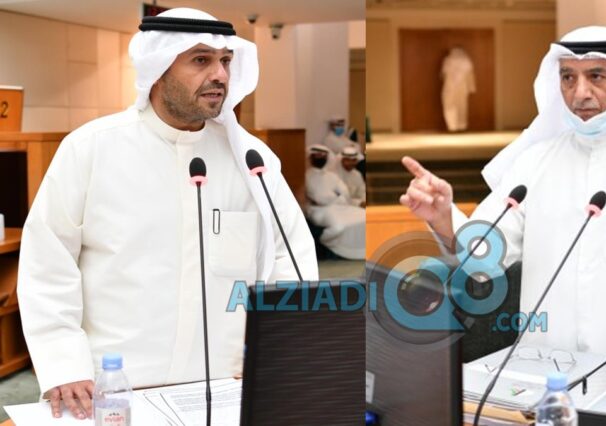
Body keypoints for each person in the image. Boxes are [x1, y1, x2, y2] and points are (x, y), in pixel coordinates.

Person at [17, 8, 318, 420]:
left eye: (225, 61)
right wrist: (64, 363)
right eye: (201, 60)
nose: (220, 75)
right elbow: (48, 263)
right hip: (113, 387)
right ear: (157, 68)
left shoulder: (252, 160)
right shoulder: (91, 149)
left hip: (222, 385)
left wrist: (278, 351)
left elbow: (290, 259)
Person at [400, 26, 606, 386]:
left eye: (596, 76)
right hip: (545, 378)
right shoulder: (535, 161)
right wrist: (443, 217)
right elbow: (484, 253)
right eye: (568, 77)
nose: (580, 92)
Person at [306, 145, 365, 259]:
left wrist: (336, 198)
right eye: (317, 155)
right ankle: (324, 241)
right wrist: (336, 198)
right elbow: (320, 198)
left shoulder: (331, 176)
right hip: (318, 210)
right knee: (339, 227)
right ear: (311, 157)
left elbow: (345, 194)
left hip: (340, 207)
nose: (320, 158)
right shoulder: (307, 175)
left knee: (364, 216)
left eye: (323, 156)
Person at [441, 47, 476, 132]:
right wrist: (471, 88)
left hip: (450, 87)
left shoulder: (448, 61)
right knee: (462, 106)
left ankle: (452, 126)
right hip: (462, 88)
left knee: (449, 105)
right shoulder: (467, 62)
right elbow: (470, 77)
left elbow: (443, 74)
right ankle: (461, 125)